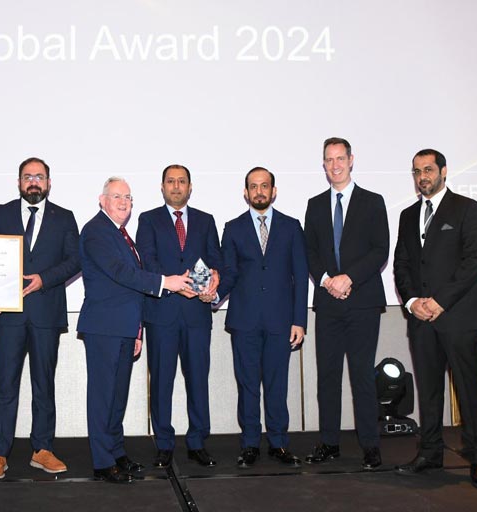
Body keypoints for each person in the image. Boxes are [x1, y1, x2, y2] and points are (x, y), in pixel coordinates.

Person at [78, 177, 193, 483]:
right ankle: (103, 462)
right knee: (103, 397)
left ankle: (116, 453)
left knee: (117, 398)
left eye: (128, 197)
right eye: (116, 196)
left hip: (125, 327)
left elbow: (132, 287)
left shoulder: (122, 234)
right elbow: (121, 273)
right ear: (102, 200)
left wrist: (138, 330)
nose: (123, 202)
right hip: (103, 328)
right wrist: (165, 282)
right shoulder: (96, 231)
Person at [394, 149, 477, 489]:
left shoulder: (467, 208)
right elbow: (402, 264)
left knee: (469, 390)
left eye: (428, 169)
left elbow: (475, 260)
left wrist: (439, 301)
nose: (422, 176)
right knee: (429, 391)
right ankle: (430, 453)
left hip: (459, 316)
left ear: (443, 171)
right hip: (421, 319)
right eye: (417, 171)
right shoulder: (408, 215)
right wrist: (412, 302)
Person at [0, 157, 81, 479]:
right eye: (28, 176)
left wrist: (44, 279)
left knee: (44, 385)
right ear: (18, 182)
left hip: (45, 313)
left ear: (49, 183)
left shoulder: (64, 217)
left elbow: (75, 260)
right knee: (4, 386)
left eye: (39, 177)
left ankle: (42, 449)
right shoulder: (1, 213)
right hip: (8, 316)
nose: (34, 182)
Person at [303, 137, 388, 470]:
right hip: (328, 303)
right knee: (327, 376)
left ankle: (370, 446)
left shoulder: (373, 202)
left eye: (340, 158)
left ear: (351, 160)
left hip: (363, 301)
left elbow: (380, 250)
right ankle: (329, 443)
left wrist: (348, 278)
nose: (335, 165)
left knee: (362, 375)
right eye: (329, 160)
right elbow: (309, 251)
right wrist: (327, 280)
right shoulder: (314, 205)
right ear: (323, 164)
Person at [216, 167, 308, 468]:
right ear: (246, 193)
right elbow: (229, 273)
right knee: (248, 386)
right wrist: (213, 296)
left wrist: (299, 320)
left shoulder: (292, 227)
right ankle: (250, 444)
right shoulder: (233, 228)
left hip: (281, 322)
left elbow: (300, 276)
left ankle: (279, 443)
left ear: (274, 191)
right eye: (253, 187)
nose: (259, 191)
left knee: (277, 386)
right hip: (244, 321)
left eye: (264, 186)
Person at [135, 164, 222, 468]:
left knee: (198, 379)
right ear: (162, 187)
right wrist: (179, 285)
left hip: (197, 315)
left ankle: (197, 442)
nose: (176, 186)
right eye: (170, 181)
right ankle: (164, 443)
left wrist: (214, 280)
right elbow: (148, 261)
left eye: (181, 181)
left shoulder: (206, 220)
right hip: (162, 314)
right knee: (161, 381)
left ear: (190, 187)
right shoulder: (148, 220)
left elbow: (215, 261)